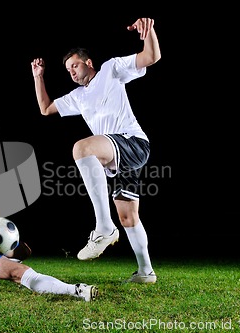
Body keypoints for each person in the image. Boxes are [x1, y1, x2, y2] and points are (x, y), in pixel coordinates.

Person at [30, 18, 160, 284]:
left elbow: (152, 56)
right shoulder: (78, 96)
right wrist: (38, 77)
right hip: (117, 158)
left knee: (82, 147)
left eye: (74, 65)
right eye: (67, 70)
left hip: (132, 142)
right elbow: (45, 108)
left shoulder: (111, 70)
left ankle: (103, 227)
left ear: (88, 63)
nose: (72, 72)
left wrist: (149, 30)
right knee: (128, 215)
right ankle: (145, 272)